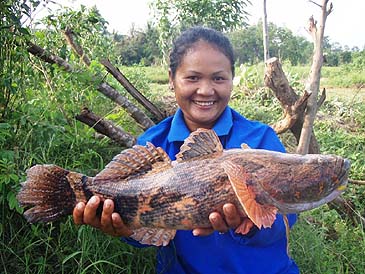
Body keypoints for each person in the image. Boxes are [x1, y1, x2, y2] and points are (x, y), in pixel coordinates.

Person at [73, 26, 299, 274]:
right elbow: (142, 230)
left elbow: (288, 216)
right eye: (192, 78)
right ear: (172, 79)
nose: (205, 90)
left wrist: (252, 223)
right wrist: (122, 227)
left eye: (218, 78)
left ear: (232, 79)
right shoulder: (153, 142)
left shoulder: (260, 140)